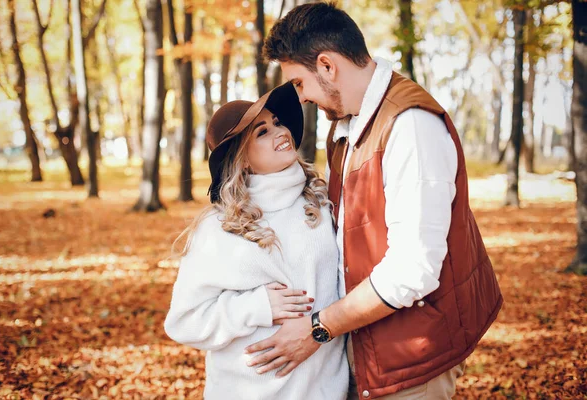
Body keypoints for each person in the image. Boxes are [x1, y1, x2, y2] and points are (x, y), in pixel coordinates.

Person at [244, 3, 504, 399]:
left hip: (414, 353)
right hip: (363, 343)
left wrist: (319, 328)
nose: (302, 99)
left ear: (327, 66)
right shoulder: (346, 126)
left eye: (299, 83)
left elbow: (412, 270)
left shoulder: (410, 126)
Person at [163, 82, 349, 400]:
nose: (279, 131)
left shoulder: (321, 201)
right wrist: (255, 306)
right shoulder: (219, 226)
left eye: (277, 122)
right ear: (243, 159)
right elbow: (184, 321)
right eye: (261, 132)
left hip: (325, 390)